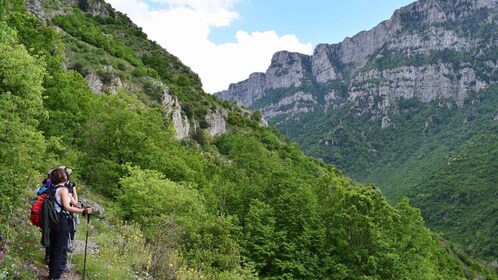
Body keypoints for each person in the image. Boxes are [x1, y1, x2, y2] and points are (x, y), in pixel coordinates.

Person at [48, 167, 92, 280]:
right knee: (60, 247)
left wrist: (79, 205)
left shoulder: (53, 189)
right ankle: (56, 275)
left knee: (54, 247)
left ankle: (53, 273)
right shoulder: (63, 190)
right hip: (61, 221)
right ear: (63, 177)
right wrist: (83, 211)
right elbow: (67, 207)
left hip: (52, 220)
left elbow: (73, 202)